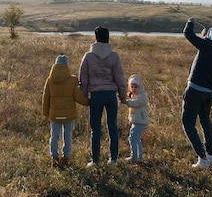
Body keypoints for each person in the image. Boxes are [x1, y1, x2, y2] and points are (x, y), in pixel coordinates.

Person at [182, 18, 212, 169]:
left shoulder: (206, 46)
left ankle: (202, 158)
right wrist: (206, 37)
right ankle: (210, 155)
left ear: (210, 36)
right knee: (205, 121)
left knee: (188, 123)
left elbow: (187, 33)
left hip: (195, 89)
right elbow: (209, 47)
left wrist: (190, 22)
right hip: (209, 93)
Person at [79, 26, 127, 167]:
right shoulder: (114, 56)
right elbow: (119, 78)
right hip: (111, 94)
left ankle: (95, 161)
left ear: (96, 38)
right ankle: (113, 159)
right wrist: (123, 95)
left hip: (96, 95)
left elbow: (84, 77)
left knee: (95, 129)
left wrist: (84, 93)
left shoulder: (88, 56)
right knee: (112, 127)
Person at [42, 55, 89, 167]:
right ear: (67, 65)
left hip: (54, 115)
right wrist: (90, 102)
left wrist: (46, 113)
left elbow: (45, 98)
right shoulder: (73, 80)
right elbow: (78, 97)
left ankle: (54, 158)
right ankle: (66, 158)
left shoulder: (50, 80)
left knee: (54, 137)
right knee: (67, 137)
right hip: (69, 115)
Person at [125, 74, 149, 164]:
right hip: (137, 121)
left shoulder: (142, 96)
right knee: (136, 139)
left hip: (141, 121)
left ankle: (134, 156)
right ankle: (139, 157)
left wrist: (126, 102)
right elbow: (132, 111)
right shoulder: (134, 96)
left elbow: (136, 104)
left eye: (136, 87)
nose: (134, 89)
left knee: (132, 138)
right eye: (132, 87)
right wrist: (131, 120)